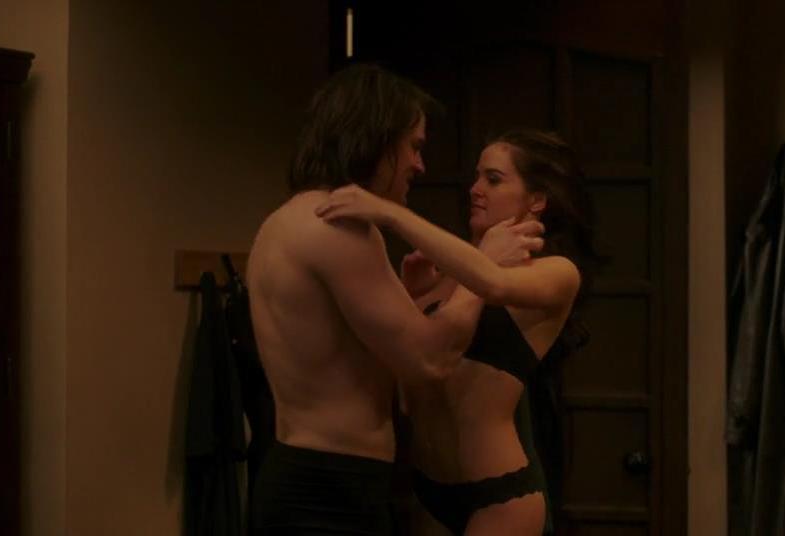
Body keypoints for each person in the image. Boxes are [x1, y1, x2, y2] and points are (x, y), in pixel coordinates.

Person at [245, 64, 544, 534]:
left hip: (299, 473)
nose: (419, 165)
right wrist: (482, 269)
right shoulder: (340, 229)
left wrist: (413, 294)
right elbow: (428, 360)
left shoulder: (284, 221)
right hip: (330, 492)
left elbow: (358, 351)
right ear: (376, 139)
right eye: (414, 146)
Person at [315, 129, 597, 535]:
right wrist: (414, 295)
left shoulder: (557, 272)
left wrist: (389, 213)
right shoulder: (452, 275)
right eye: (477, 177)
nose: (475, 189)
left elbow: (494, 284)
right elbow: (410, 377)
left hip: (498, 495)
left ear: (536, 200)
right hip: (429, 488)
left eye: (493, 179)